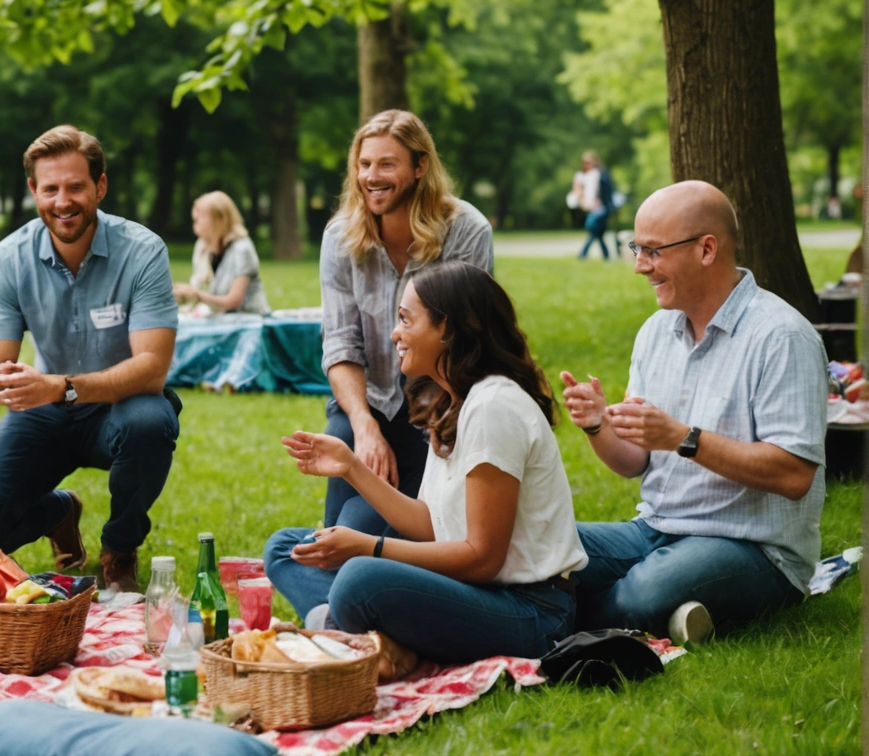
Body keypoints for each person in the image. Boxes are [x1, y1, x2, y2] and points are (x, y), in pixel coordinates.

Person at [263, 263, 587, 665]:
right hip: (480, 591)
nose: (395, 334)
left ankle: (347, 635)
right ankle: (348, 631)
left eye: (405, 319)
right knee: (286, 548)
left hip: (530, 613)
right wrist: (351, 466)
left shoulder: (493, 408)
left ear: (447, 329)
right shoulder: (454, 401)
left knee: (359, 579)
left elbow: (483, 559)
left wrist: (371, 548)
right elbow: (430, 525)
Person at [557, 181, 825, 645]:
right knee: (544, 549)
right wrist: (599, 425)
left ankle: (552, 619)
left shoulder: (782, 337)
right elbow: (634, 462)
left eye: (653, 251)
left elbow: (794, 474)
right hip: (656, 529)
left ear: (706, 249)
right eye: (636, 249)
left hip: (756, 549)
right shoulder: (656, 332)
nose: (640, 266)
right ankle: (675, 613)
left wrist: (684, 437)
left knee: (643, 592)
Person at [0, 126, 179, 594]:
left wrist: (61, 386)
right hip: (45, 412)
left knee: (151, 422)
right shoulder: (10, 258)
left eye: (75, 186)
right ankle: (59, 512)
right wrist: (4, 382)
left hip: (122, 407)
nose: (63, 201)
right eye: (50, 188)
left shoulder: (143, 251)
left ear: (100, 187)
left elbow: (152, 367)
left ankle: (119, 550)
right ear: (34, 190)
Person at [319, 110, 493, 538]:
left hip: (441, 401)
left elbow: (468, 341)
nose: (371, 176)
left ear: (420, 168)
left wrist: (438, 419)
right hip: (368, 400)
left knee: (366, 530)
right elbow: (341, 344)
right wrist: (363, 424)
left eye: (386, 164)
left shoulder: (466, 231)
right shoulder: (340, 238)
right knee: (337, 528)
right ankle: (337, 580)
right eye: (364, 164)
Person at [175, 190, 271, 315]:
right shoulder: (202, 246)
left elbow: (234, 301)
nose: (196, 220)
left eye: (202, 216)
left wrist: (197, 295)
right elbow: (201, 289)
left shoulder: (242, 249)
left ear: (220, 219)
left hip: (250, 321)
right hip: (220, 321)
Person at [570, 152, 614, 261]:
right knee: (598, 234)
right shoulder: (584, 175)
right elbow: (580, 190)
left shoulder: (602, 174)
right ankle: (606, 256)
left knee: (591, 227)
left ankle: (583, 254)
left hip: (602, 208)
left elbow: (606, 191)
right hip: (593, 208)